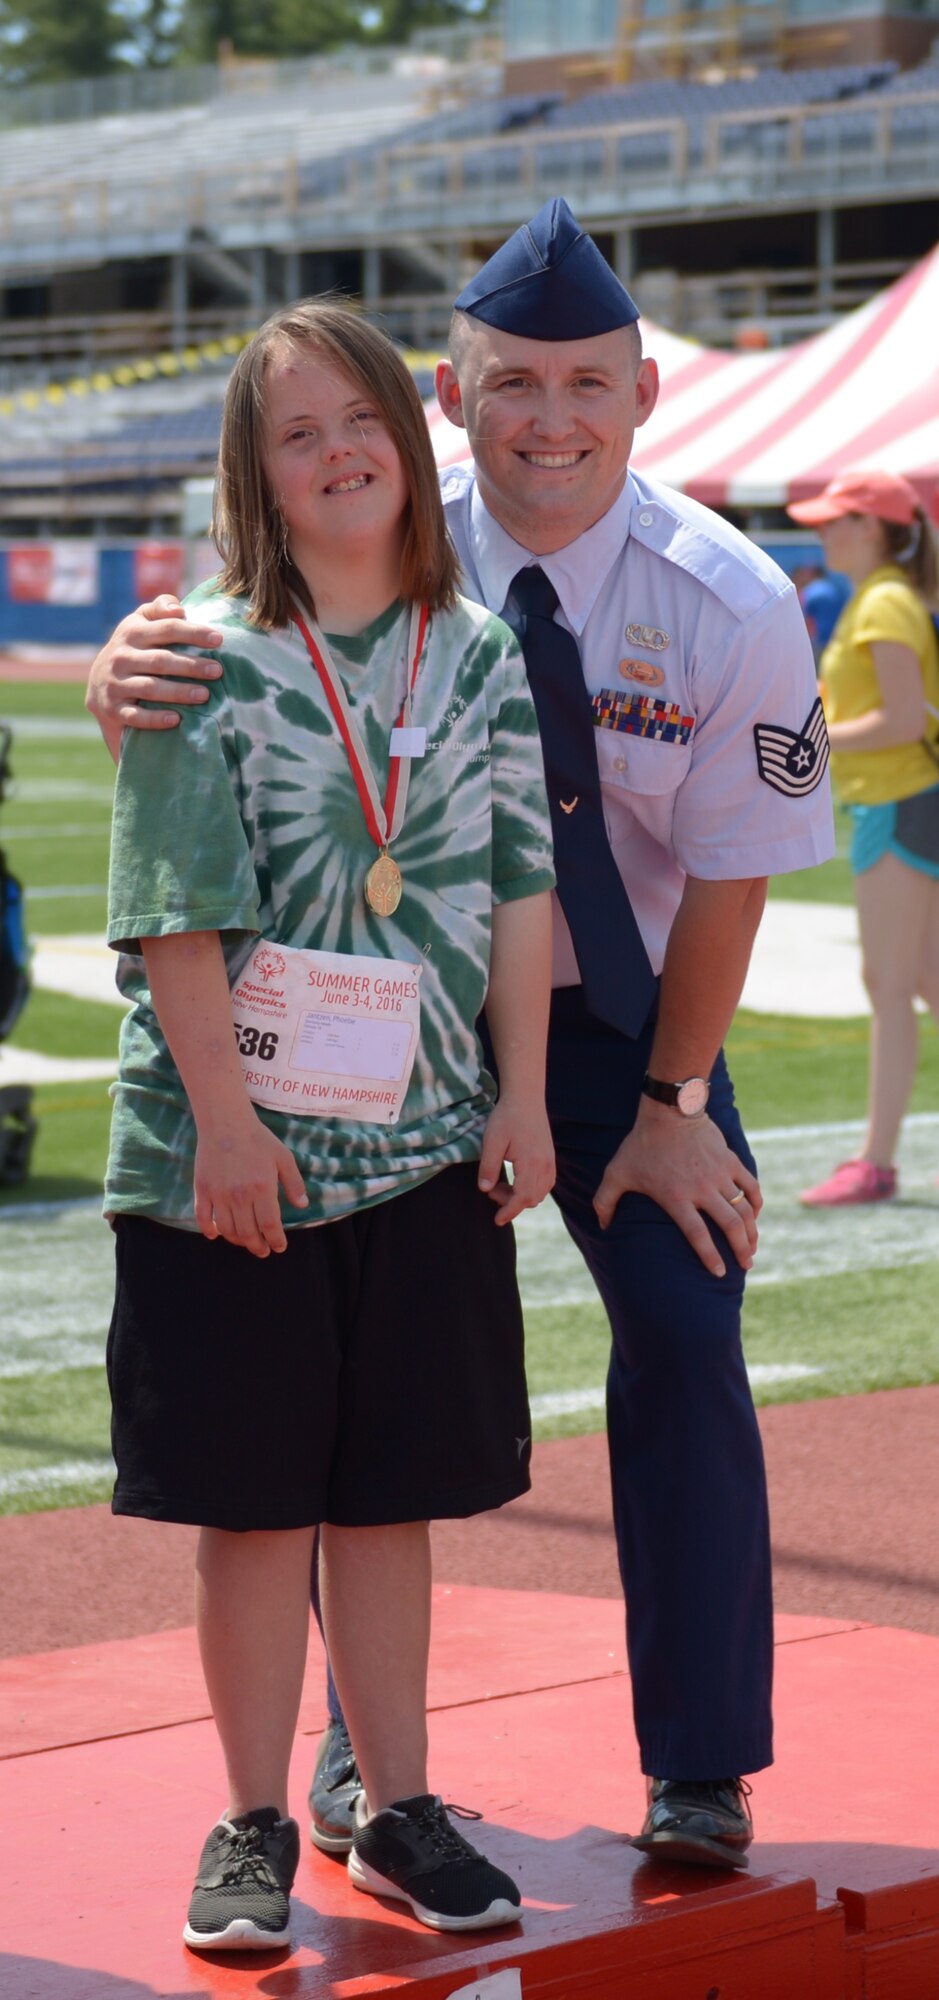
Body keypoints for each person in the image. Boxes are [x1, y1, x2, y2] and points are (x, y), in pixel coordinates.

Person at [88, 201, 835, 1873]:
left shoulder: (721, 593)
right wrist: (132, 671)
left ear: (643, 393)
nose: (547, 421)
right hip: (411, 1028)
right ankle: (357, 1770)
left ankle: (699, 1764)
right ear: (451, 390)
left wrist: (663, 1105)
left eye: (584, 384)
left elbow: (725, 882)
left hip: (635, 1030)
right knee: (374, 1377)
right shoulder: (399, 543)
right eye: (511, 386)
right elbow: (239, 657)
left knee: (682, 1326)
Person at [103, 298, 557, 1952]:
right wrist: (224, 1126)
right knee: (252, 1507)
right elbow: (169, 913)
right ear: (258, 471)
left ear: (405, 438)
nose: (336, 451)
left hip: (427, 1149)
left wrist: (516, 1094)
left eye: (357, 417)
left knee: (386, 1502)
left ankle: (400, 1806)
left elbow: (519, 889)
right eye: (296, 432)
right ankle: (245, 1822)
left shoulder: (481, 648)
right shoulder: (196, 653)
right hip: (236, 1162)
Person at [787, 471, 939, 1206]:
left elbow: (902, 722)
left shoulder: (880, 602)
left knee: (888, 985)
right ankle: (875, 1159)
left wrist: (807, 738)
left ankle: (873, 1161)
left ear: (873, 528)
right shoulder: (881, 598)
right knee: (920, 983)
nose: (821, 532)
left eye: (835, 521)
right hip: (905, 801)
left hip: (898, 801)